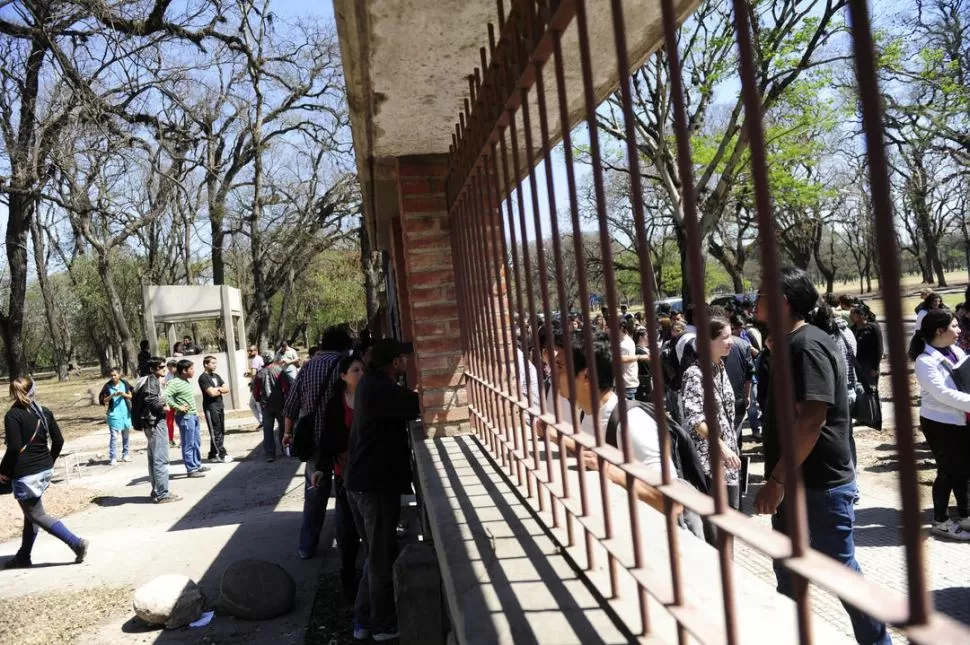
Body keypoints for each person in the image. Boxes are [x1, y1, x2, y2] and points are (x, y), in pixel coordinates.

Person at [753, 267, 891, 645]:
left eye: (762, 292)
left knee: (840, 574)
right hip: (797, 482)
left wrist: (776, 482)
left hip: (818, 486)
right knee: (788, 570)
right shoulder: (789, 343)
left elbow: (812, 420)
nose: (755, 298)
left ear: (783, 301)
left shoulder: (807, 345)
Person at [344, 339, 420, 642]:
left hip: (364, 482)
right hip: (373, 485)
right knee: (379, 557)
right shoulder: (380, 387)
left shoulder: (372, 384)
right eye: (405, 358)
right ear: (397, 362)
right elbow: (417, 405)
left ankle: (363, 621)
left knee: (376, 554)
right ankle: (383, 624)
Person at [1, 376, 88, 568]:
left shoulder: (13, 415)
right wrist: (49, 461)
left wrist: (3, 471)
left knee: (36, 515)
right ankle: (24, 556)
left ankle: (76, 543)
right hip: (44, 470)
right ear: (33, 390)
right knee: (30, 513)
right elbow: (59, 441)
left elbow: (14, 448)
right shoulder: (44, 412)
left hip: (25, 474)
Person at [282, 327, 354, 559]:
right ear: (343, 345)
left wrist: (287, 433)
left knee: (314, 493)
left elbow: (291, 405)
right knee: (344, 493)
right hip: (342, 438)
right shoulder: (347, 365)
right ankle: (346, 543)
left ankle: (306, 546)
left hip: (313, 439)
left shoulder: (308, 366)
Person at [910, 310, 970, 540]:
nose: (959, 331)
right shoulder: (925, 362)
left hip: (960, 419)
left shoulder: (956, 350)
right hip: (940, 423)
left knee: (964, 470)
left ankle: (965, 515)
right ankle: (941, 521)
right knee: (948, 470)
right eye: (954, 326)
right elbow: (943, 394)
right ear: (939, 331)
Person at [681, 317, 742, 538]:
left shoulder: (720, 367)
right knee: (716, 532)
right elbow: (695, 420)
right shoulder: (695, 374)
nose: (730, 341)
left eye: (730, 336)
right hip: (710, 466)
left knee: (729, 528)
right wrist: (722, 448)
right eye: (724, 337)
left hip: (729, 466)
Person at [311, 354, 365, 602]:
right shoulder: (336, 403)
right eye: (355, 370)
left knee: (371, 530)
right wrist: (322, 468)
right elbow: (327, 438)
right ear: (343, 376)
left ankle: (371, 582)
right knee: (347, 531)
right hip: (345, 476)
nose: (360, 374)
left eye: (362, 369)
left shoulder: (371, 398)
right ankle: (349, 580)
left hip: (370, 474)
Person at [133, 357, 181, 503]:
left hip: (148, 423)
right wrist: (164, 407)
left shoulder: (144, 380)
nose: (164, 369)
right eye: (161, 367)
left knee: (153, 458)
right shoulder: (151, 381)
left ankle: (157, 491)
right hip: (155, 423)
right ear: (152, 369)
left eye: (164, 366)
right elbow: (151, 400)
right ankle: (162, 494)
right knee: (161, 459)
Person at [165, 359, 208, 478]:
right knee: (188, 444)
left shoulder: (186, 381)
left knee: (196, 442)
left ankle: (197, 465)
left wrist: (196, 412)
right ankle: (191, 468)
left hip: (192, 416)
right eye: (191, 369)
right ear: (184, 370)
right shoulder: (175, 382)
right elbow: (165, 396)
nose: (193, 371)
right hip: (185, 417)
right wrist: (178, 406)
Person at [198, 356, 232, 464]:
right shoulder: (203, 378)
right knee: (215, 431)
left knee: (221, 431)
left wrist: (217, 389)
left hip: (219, 405)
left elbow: (227, 388)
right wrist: (219, 389)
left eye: (215, 363)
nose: (215, 365)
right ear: (206, 364)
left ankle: (212, 454)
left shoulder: (216, 376)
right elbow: (211, 393)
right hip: (210, 407)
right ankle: (222, 454)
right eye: (212, 363)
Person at [255, 353, 288, 461]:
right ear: (273, 358)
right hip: (280, 404)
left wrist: (258, 400)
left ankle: (270, 453)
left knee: (268, 429)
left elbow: (256, 391)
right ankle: (285, 448)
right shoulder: (279, 371)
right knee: (283, 427)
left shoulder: (260, 374)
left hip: (266, 405)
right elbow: (286, 388)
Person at [99, 367, 134, 466]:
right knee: (114, 437)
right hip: (113, 414)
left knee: (126, 435)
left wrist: (123, 394)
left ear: (119, 375)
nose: (113, 377)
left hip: (125, 413)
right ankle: (113, 457)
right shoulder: (107, 386)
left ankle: (125, 455)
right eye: (112, 375)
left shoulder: (125, 384)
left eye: (115, 375)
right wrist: (112, 395)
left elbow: (131, 396)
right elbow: (103, 400)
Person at [618, 318, 646, 400]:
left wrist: (639, 357)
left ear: (621, 328)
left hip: (626, 385)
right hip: (626, 383)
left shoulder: (624, 344)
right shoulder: (623, 340)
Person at [246, 345, 265, 427]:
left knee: (256, 404)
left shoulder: (255, 360)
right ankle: (262, 421)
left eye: (251, 350)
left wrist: (248, 376)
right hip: (260, 383)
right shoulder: (259, 358)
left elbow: (253, 374)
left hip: (257, 385)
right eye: (248, 351)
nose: (249, 352)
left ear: (256, 351)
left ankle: (263, 422)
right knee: (254, 404)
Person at [164, 359, 178, 448]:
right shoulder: (168, 375)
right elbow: (165, 385)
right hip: (170, 401)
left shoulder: (180, 375)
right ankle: (170, 440)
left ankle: (183, 440)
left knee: (181, 422)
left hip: (179, 401)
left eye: (171, 368)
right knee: (169, 422)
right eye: (168, 368)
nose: (169, 370)